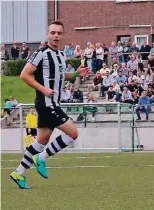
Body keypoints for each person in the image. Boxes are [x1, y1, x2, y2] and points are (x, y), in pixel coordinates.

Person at [10, 20, 90, 189]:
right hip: (46, 103)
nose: (55, 36)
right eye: (53, 33)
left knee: (40, 141)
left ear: (62, 35)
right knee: (73, 133)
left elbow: (61, 77)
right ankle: (41, 158)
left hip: (52, 102)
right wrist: (44, 90)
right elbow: (25, 75)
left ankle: (18, 173)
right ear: (48, 34)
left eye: (59, 33)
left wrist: (76, 73)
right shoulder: (41, 53)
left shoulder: (60, 55)